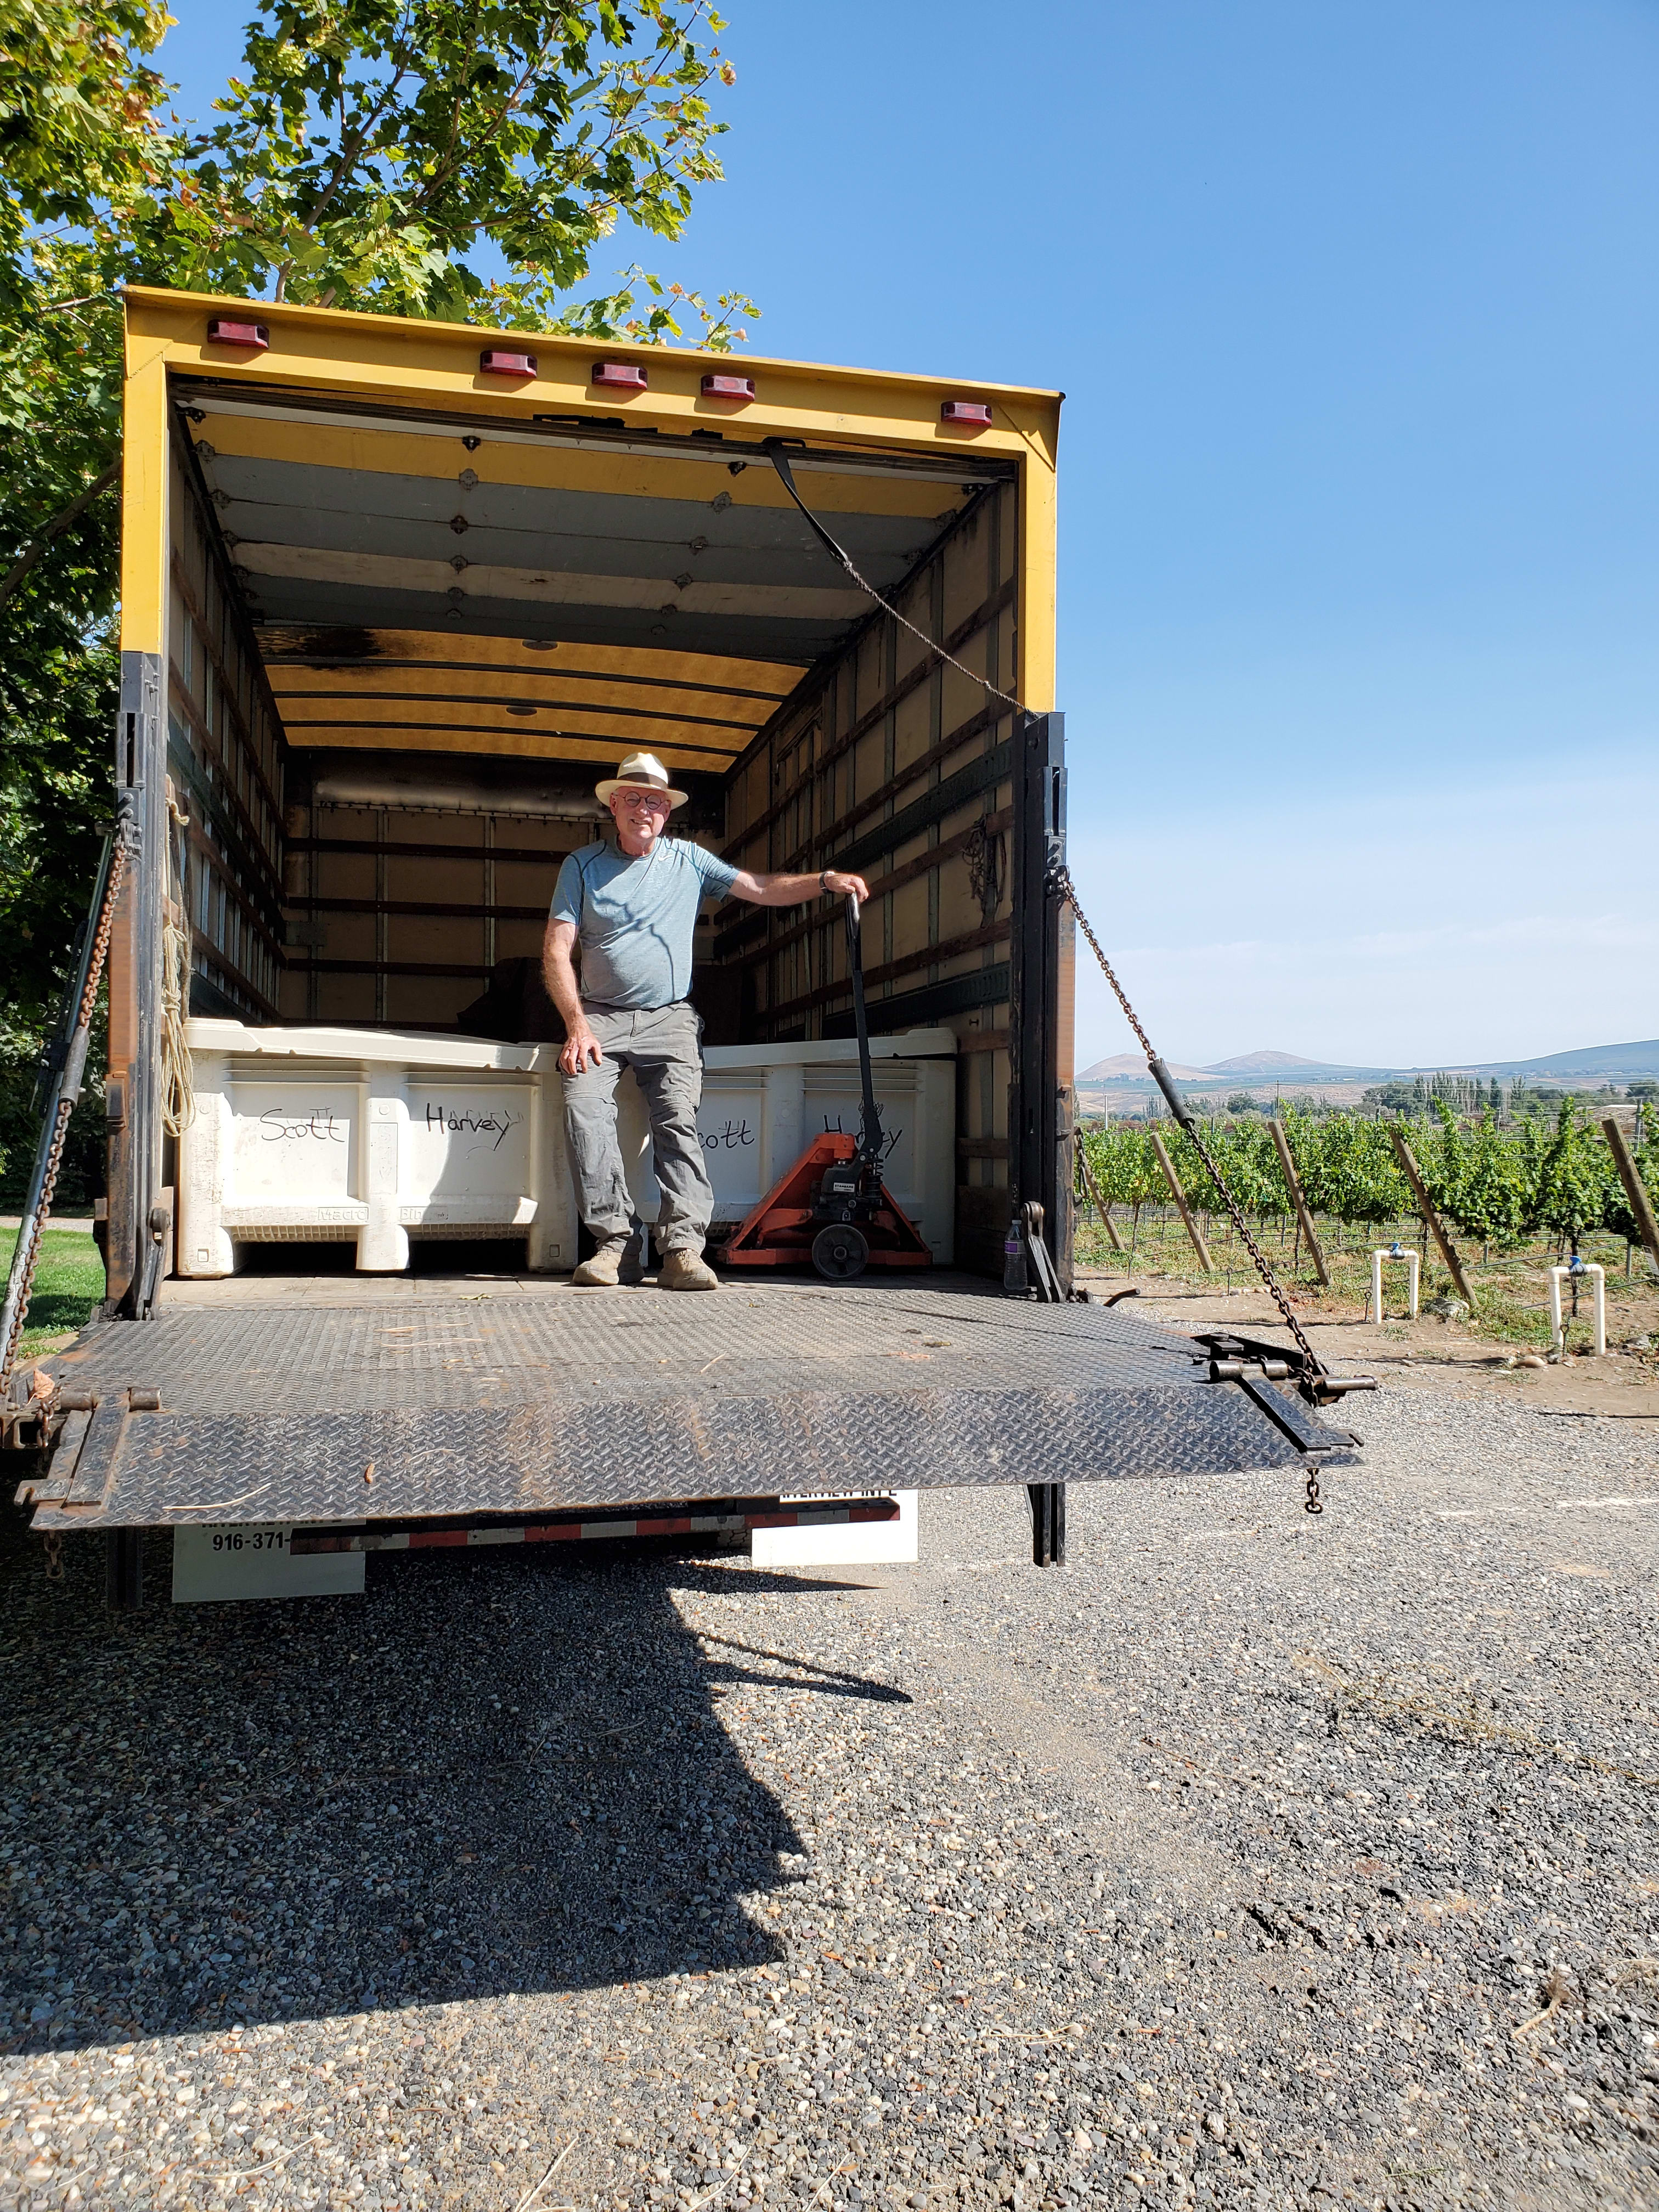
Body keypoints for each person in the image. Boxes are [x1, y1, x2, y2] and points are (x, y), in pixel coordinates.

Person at [543, 753, 870, 1290]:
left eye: (655, 801)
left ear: (667, 811)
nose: (643, 808)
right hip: (598, 1017)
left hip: (669, 1019)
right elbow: (557, 949)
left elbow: (761, 890)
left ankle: (682, 1250)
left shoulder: (690, 860)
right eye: (632, 798)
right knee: (583, 1107)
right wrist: (576, 1025)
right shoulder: (581, 866)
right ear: (613, 804)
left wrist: (827, 881)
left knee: (677, 1114)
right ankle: (615, 1245)